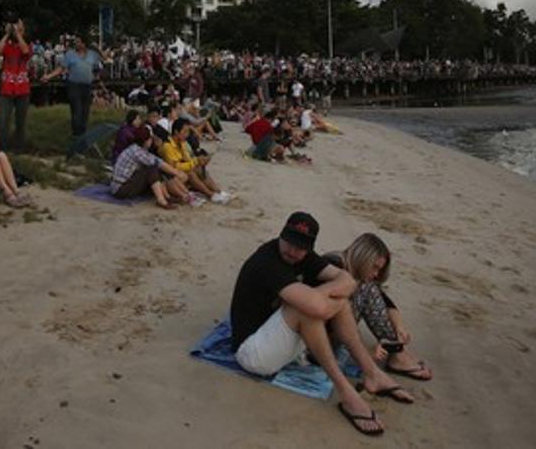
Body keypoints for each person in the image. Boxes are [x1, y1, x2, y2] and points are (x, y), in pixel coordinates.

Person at [228, 212, 413, 438]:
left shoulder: (305, 257)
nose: (294, 251)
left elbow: (347, 280)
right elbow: (319, 306)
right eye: (290, 242)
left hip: (279, 342)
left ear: (310, 246)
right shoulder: (267, 262)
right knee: (307, 308)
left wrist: (318, 295)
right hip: (252, 353)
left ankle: (372, 373)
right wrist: (319, 299)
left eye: (301, 247)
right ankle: (348, 395)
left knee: (331, 302)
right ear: (281, 235)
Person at [326, 233, 432, 381]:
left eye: (379, 269)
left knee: (370, 288)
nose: (376, 274)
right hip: (319, 343)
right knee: (367, 288)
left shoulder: (355, 271)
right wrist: (363, 351)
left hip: (334, 335)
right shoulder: (333, 265)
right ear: (362, 258)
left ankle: (396, 351)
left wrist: (399, 327)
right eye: (374, 267)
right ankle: (394, 355)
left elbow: (385, 301)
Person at [109, 125, 190, 209]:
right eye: (150, 139)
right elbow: (158, 162)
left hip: (122, 184)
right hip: (120, 189)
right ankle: (161, 200)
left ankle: (167, 196)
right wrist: (177, 173)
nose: (152, 141)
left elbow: (156, 160)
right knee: (152, 169)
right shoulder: (137, 152)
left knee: (155, 169)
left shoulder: (136, 148)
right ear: (145, 141)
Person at [41, 34, 102, 138]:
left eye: (78, 42)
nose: (76, 44)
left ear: (84, 44)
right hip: (74, 86)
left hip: (87, 87)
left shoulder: (93, 55)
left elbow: (97, 69)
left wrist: (96, 79)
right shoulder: (70, 54)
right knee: (77, 112)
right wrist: (48, 76)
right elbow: (61, 68)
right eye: (75, 42)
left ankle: (83, 136)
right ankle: (76, 136)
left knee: (85, 113)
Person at [160, 117, 231, 203]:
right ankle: (210, 194)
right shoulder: (167, 146)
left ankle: (218, 191)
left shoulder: (181, 142)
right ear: (176, 132)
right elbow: (175, 166)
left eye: (188, 131)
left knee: (199, 168)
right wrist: (195, 162)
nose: (187, 134)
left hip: (180, 170)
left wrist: (200, 161)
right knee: (191, 173)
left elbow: (187, 159)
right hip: (171, 175)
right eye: (185, 131)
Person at [0, 19, 32, 151]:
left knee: (21, 122)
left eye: (20, 29)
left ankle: (19, 149)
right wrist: (6, 34)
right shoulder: (7, 46)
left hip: (22, 89)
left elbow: (26, 51)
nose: (17, 31)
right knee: (3, 121)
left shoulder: (27, 44)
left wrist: (18, 34)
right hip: (7, 88)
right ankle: (2, 149)